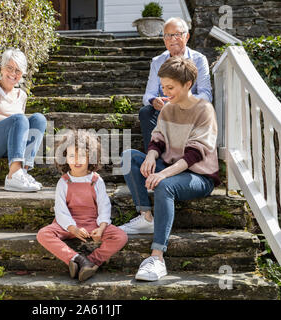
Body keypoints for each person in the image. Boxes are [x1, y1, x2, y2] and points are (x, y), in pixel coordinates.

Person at [119, 57, 220, 281]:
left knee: (164, 185)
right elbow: (158, 138)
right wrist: (151, 156)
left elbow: (195, 155)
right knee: (129, 158)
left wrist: (162, 173)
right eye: (163, 87)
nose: (165, 92)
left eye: (170, 87)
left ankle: (157, 258)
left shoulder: (205, 110)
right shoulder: (168, 109)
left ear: (188, 84)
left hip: (198, 175)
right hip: (170, 165)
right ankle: (146, 216)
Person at [37, 130, 128, 282]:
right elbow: (60, 209)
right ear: (65, 158)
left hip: (92, 223)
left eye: (81, 156)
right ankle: (77, 259)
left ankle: (92, 261)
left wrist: (102, 226)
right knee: (43, 234)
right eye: (72, 156)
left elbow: (104, 205)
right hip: (67, 224)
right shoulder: (64, 181)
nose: (76, 160)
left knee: (121, 236)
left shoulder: (96, 180)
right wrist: (72, 227)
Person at [0, 48, 47, 192]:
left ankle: (22, 172)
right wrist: (17, 122)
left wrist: (18, 124)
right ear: (1, 68)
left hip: (7, 146)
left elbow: (19, 130)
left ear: (22, 74)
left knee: (39, 119)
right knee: (20, 120)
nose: (13, 73)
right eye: (9, 68)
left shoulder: (22, 95)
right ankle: (13, 175)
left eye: (18, 71)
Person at [139, 17, 213, 152]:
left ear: (187, 36)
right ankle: (153, 156)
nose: (172, 39)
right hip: (166, 110)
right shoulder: (157, 62)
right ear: (164, 40)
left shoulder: (199, 59)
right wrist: (154, 100)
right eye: (168, 35)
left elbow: (206, 94)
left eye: (177, 34)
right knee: (146, 112)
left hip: (190, 110)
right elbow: (148, 95)